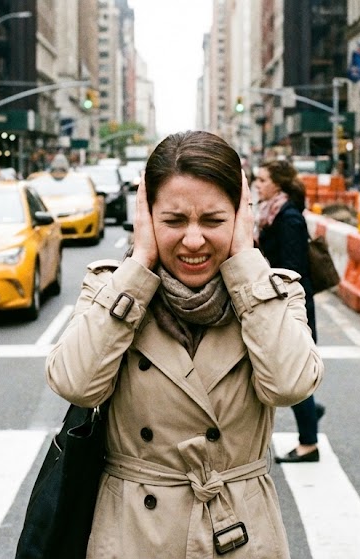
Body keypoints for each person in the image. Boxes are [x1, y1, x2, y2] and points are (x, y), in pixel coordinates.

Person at [45, 130, 324, 557]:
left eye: (213, 221)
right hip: (132, 536)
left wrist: (247, 262)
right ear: (147, 217)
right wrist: (139, 264)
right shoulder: (112, 288)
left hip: (239, 534)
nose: (193, 241)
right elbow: (75, 383)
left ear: (239, 218)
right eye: (174, 221)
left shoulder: (271, 293)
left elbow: (290, 385)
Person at [253, 159, 327, 463]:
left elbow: (293, 268)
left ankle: (309, 443)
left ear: (277, 185)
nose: (258, 184)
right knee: (290, 368)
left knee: (292, 369)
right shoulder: (271, 213)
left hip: (291, 303)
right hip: (280, 300)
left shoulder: (288, 218)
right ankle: (311, 412)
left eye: (262, 180)